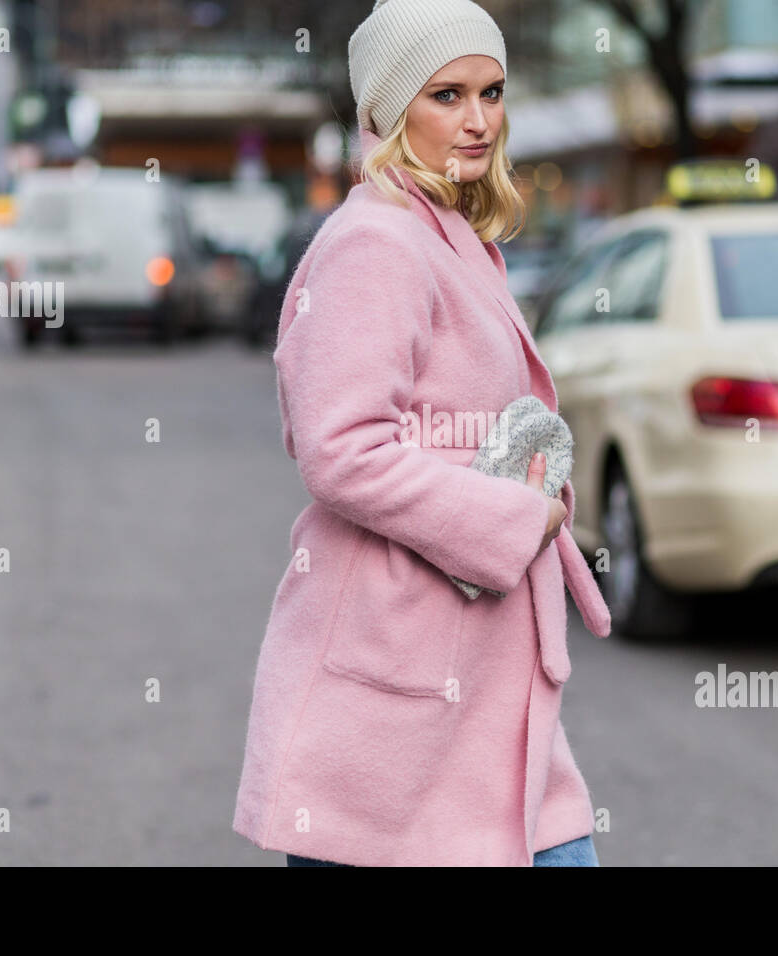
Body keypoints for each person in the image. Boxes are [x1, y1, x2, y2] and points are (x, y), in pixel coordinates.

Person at [231, 0, 612, 867]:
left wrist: (537, 487)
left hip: (474, 672)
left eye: (492, 91)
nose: (478, 120)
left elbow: (466, 424)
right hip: (397, 671)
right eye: (446, 95)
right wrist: (519, 520)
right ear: (389, 111)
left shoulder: (450, 234)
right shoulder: (376, 242)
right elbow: (342, 451)